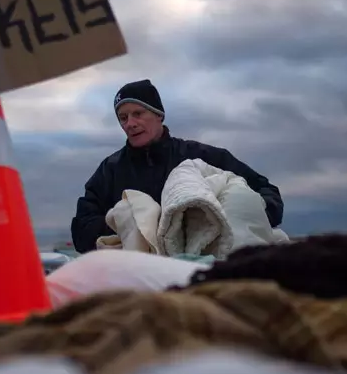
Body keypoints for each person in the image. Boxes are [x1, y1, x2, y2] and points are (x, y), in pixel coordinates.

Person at [70, 79, 284, 253]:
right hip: (141, 277)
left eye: (138, 113)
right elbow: (82, 230)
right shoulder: (110, 170)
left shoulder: (202, 157)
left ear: (159, 115)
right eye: (123, 118)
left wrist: (215, 218)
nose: (130, 124)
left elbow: (267, 193)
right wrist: (135, 224)